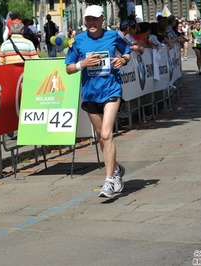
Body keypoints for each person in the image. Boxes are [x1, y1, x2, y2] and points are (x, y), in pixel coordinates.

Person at [65, 5, 130, 198]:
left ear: (103, 20)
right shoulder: (78, 40)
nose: (91, 23)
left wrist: (123, 60)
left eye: (95, 19)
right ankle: (116, 169)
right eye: (88, 20)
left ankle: (109, 180)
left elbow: (127, 51)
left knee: (107, 133)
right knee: (102, 137)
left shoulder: (113, 36)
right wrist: (81, 64)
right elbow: (68, 68)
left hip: (111, 90)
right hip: (90, 94)